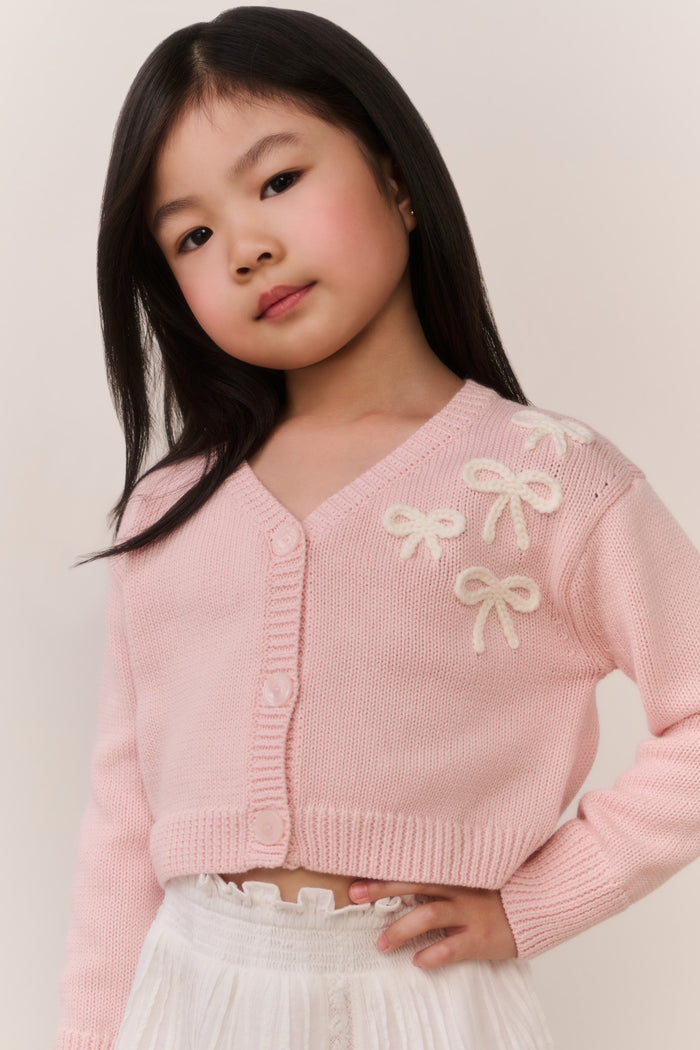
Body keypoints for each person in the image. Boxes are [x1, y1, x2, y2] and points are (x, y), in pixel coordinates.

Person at [53, 6, 700, 1049]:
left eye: (276, 182)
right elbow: (124, 826)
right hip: (187, 998)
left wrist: (540, 903)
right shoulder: (172, 511)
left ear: (396, 177)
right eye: (193, 235)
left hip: (421, 999)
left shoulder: (545, 480)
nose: (248, 248)